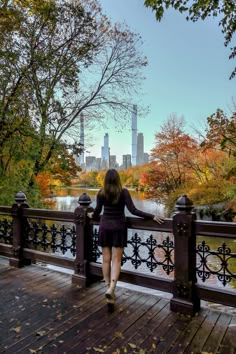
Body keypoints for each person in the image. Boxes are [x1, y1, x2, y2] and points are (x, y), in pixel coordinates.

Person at [87, 169, 164, 307]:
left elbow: (97, 212)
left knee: (105, 259)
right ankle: (112, 288)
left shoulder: (101, 192)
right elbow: (134, 210)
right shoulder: (123, 192)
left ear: (105, 180)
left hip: (105, 227)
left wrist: (91, 215)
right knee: (116, 260)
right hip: (118, 227)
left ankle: (107, 287)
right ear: (118, 179)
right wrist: (152, 216)